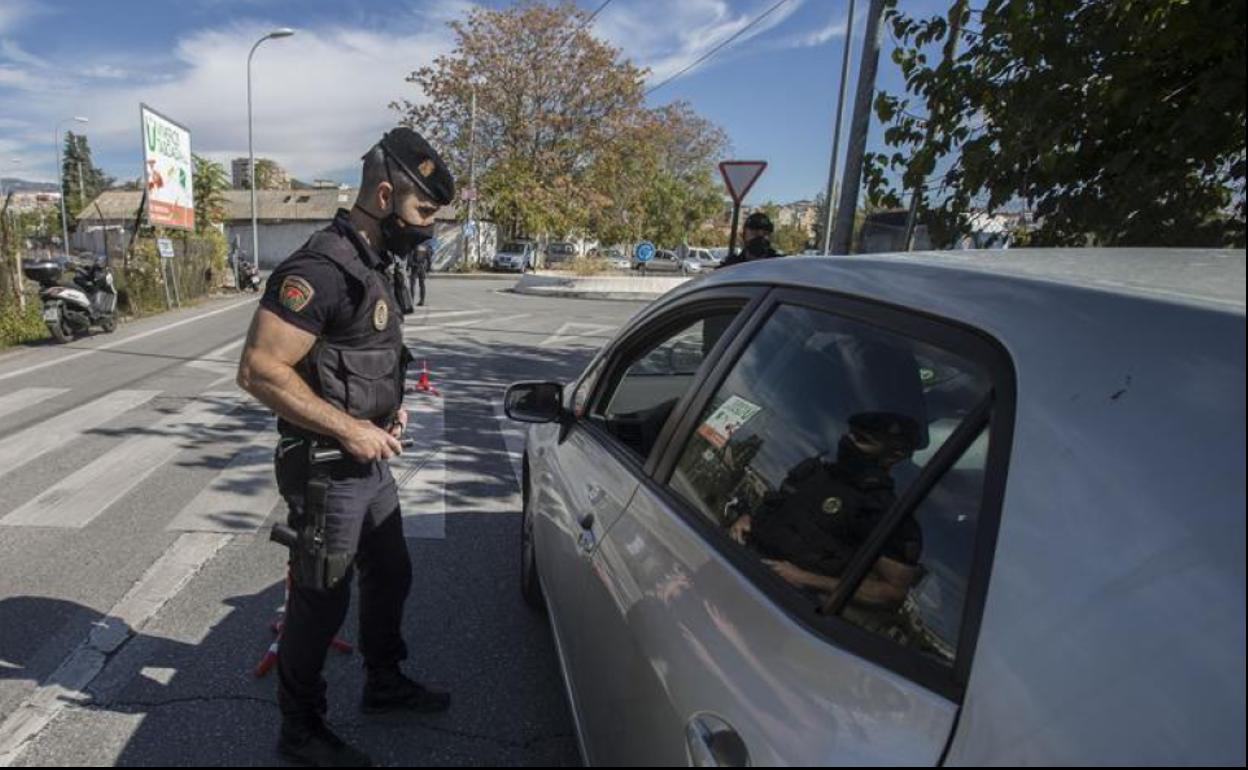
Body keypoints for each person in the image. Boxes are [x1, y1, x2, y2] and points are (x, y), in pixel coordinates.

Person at [236, 126, 453, 767]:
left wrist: (391, 408)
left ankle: (384, 684)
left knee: (391, 573)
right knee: (320, 598)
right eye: (423, 213)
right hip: (327, 465)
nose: (428, 228)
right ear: (384, 196)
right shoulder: (319, 269)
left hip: (369, 458)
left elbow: (366, 353)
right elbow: (258, 370)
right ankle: (300, 731)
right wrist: (352, 427)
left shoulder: (373, 264)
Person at [728, 412, 924, 607]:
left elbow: (893, 592)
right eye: (851, 433)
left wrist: (805, 579)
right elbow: (776, 508)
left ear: (894, 455)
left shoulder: (885, 514)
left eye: (862, 439)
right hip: (738, 565)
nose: (848, 441)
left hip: (781, 603)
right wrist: (747, 519)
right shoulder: (813, 472)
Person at [718, 211, 783, 268]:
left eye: (765, 233)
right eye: (754, 233)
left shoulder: (780, 265)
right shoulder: (731, 266)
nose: (760, 237)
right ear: (743, 235)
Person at [409, 239, 432, 307]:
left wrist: (409, 265)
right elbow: (429, 259)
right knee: (422, 284)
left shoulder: (414, 245)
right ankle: (422, 301)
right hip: (422, 267)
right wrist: (428, 268)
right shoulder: (426, 246)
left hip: (415, 267)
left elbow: (410, 257)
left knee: (412, 284)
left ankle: (411, 300)